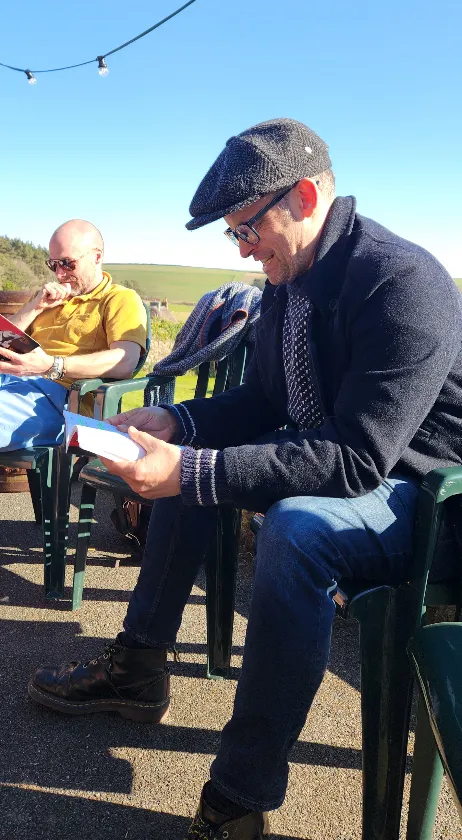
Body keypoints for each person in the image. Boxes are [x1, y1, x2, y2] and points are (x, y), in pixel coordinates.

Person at [29, 120, 462, 840]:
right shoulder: (290, 281)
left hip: (427, 497)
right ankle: (138, 666)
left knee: (293, 528)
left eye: (246, 228)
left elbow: (357, 457)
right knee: (198, 468)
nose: (242, 249)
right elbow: (262, 404)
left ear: (304, 196)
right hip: (354, 466)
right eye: (232, 236)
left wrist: (195, 468)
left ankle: (238, 796)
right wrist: (177, 423)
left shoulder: (402, 281)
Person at [0, 219, 147, 451]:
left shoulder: (120, 299)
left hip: (63, 400)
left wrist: (50, 365)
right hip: (10, 384)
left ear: (97, 257)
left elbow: (125, 361)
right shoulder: (46, 298)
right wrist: (35, 307)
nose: (59, 274)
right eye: (53, 264)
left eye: (68, 264)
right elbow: (3, 340)